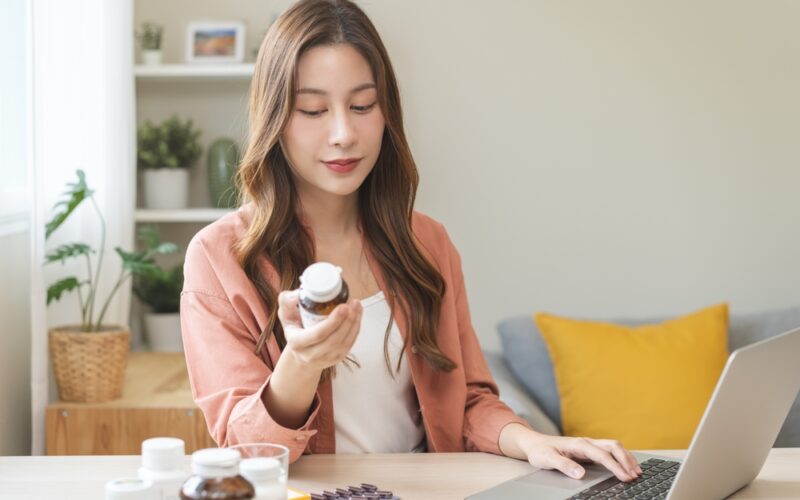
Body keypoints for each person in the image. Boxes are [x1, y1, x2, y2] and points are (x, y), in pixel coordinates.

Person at [180, 0, 642, 483]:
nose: (343, 133)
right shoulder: (220, 258)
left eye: (362, 105)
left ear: (386, 112)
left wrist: (532, 441)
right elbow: (245, 449)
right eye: (313, 109)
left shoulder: (427, 243)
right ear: (276, 118)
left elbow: (468, 402)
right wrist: (301, 363)